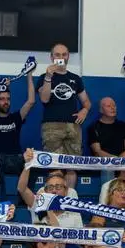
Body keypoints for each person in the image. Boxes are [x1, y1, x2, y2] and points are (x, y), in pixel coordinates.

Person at [37, 43, 91, 189]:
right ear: (51, 57)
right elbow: (44, 99)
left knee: (72, 166)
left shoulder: (75, 78)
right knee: (54, 166)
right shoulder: (43, 77)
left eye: (64, 54)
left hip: (73, 126)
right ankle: (54, 197)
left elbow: (86, 101)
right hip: (52, 126)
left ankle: (70, 197)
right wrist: (49, 76)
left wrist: (84, 111)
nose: (61, 58)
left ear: (68, 57)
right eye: (57, 55)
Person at [87, 97, 125, 184]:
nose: (113, 108)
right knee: (108, 164)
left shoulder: (123, 126)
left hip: (123, 159)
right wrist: (114, 159)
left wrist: (120, 159)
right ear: (101, 110)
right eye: (108, 106)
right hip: (105, 161)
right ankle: (109, 194)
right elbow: (97, 152)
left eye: (114, 106)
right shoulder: (93, 127)